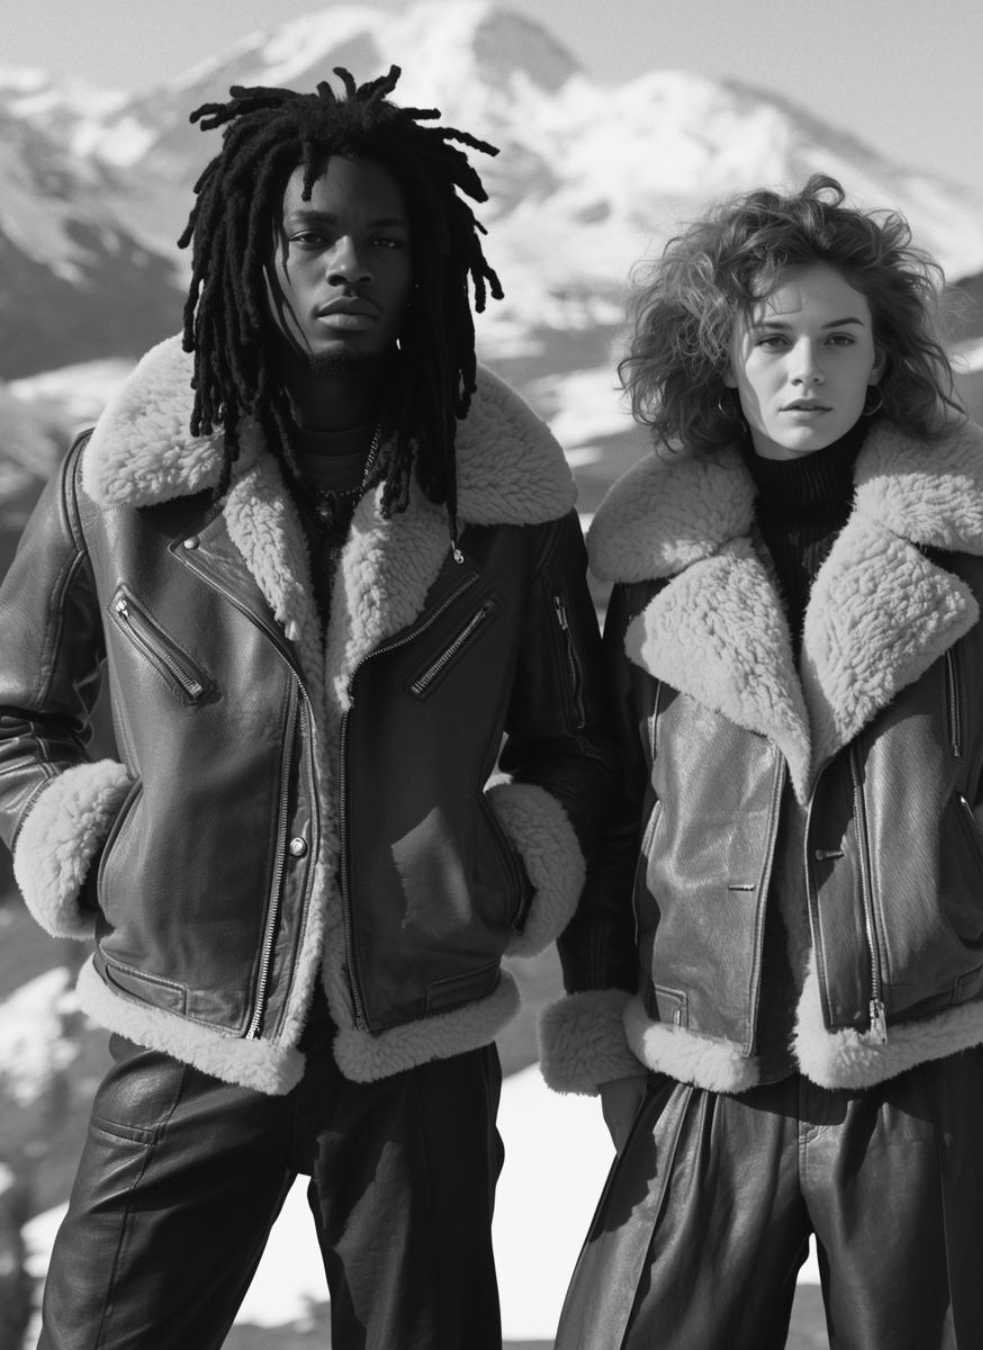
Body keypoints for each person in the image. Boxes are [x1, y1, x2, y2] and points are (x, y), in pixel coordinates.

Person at [0, 66, 615, 1350]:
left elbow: (575, 740)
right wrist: (92, 848)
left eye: (387, 240)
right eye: (314, 234)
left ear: (429, 263)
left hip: (420, 1043)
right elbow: (13, 711)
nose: (352, 265)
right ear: (251, 252)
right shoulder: (120, 480)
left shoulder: (510, 501)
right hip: (185, 1025)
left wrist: (512, 868)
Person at [540, 175, 983, 1349]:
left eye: (841, 339)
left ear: (882, 360)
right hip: (697, 1070)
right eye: (772, 339)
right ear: (720, 358)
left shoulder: (980, 540)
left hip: (917, 1060)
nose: (806, 370)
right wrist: (603, 1025)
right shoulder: (650, 562)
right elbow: (612, 807)